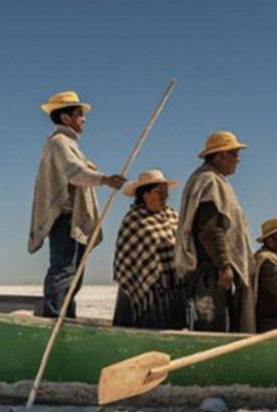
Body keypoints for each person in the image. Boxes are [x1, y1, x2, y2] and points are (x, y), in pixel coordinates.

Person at [28, 91, 126, 318]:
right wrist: (104, 179)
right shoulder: (59, 143)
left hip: (72, 222)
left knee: (73, 275)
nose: (84, 119)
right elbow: (74, 173)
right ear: (65, 118)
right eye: (79, 115)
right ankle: (54, 320)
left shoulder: (69, 144)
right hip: (65, 220)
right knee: (64, 272)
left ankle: (65, 318)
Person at [174, 131, 256, 333]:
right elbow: (210, 229)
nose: (238, 160)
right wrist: (224, 264)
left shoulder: (213, 180)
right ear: (220, 155)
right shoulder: (209, 182)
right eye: (234, 154)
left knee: (219, 324)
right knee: (212, 328)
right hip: (211, 272)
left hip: (214, 269)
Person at [112, 169, 185, 328]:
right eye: (159, 191)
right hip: (143, 287)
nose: (164, 195)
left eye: (165, 191)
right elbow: (127, 258)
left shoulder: (173, 216)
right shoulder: (134, 220)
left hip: (173, 285)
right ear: (145, 194)